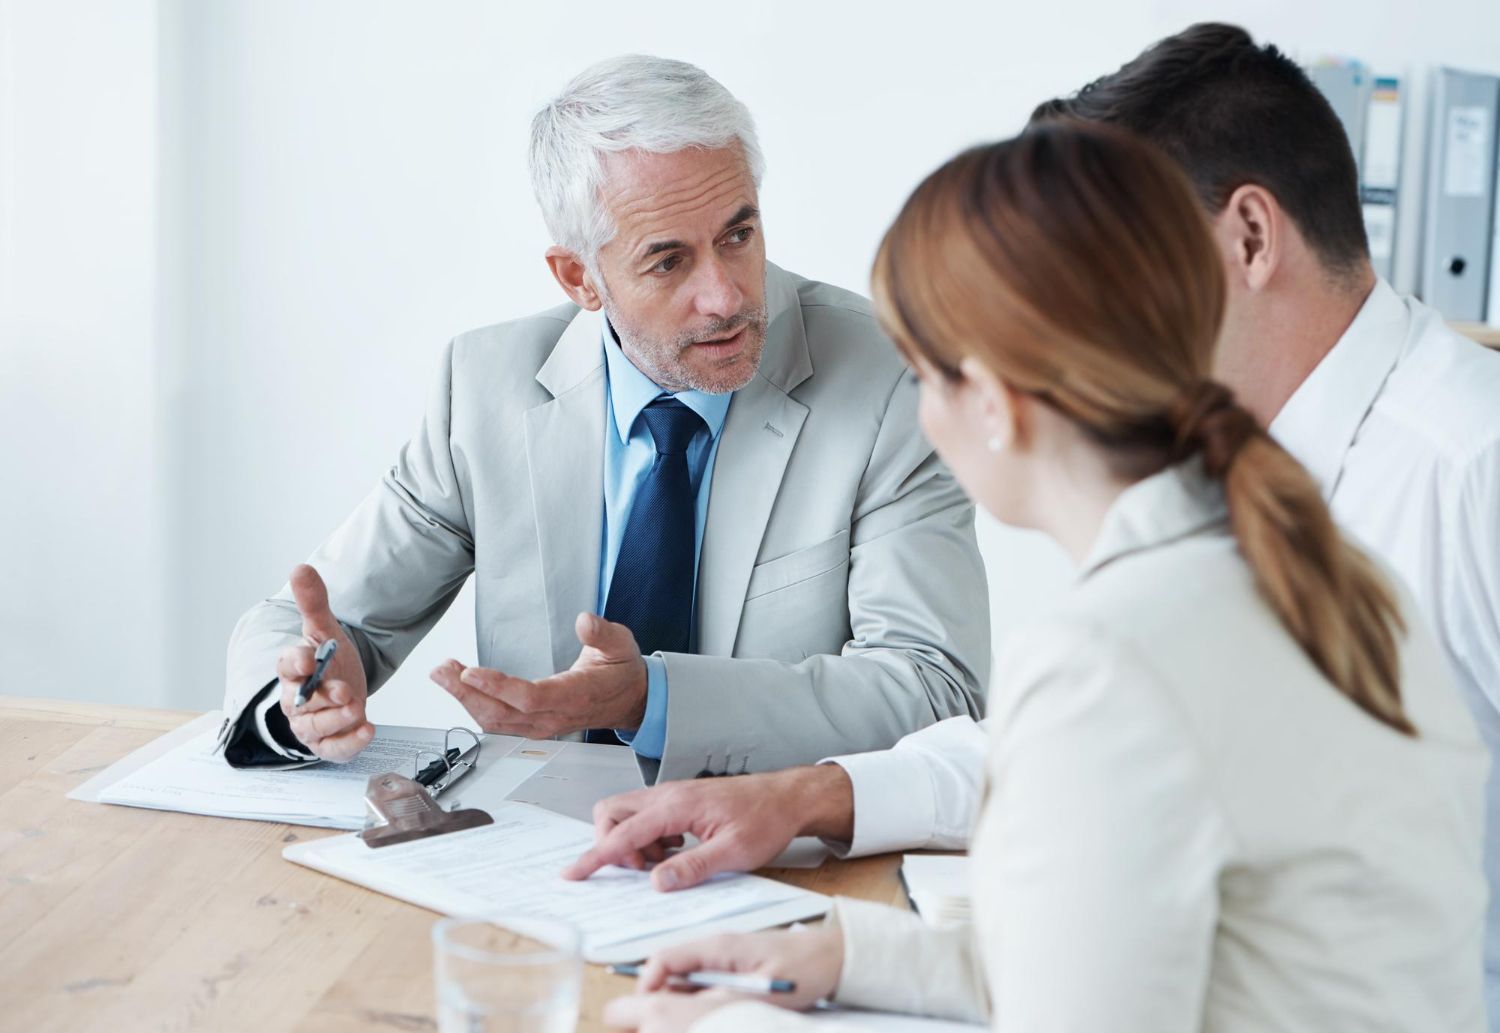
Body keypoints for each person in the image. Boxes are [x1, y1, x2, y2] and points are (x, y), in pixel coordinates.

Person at [569, 24, 1500, 953]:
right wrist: (813, 795)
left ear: (1249, 237)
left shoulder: (1472, 466)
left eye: (1109, 259)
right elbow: (1093, 745)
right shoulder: (1217, 462)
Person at [216, 55, 990, 783]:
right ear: (579, 277)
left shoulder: (888, 376)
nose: (724, 295)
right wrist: (300, 700)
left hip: (783, 853)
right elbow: (307, 621)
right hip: (536, 861)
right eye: (668, 260)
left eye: (738, 234)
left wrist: (651, 700)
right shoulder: (484, 388)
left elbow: (932, 686)